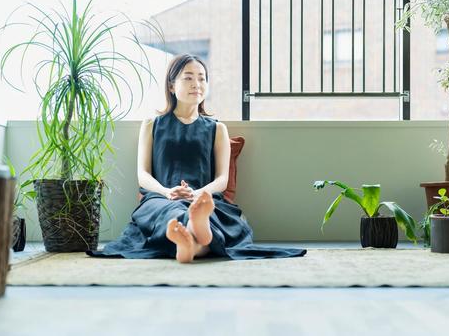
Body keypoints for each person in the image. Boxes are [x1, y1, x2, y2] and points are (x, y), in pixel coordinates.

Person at [88, 54, 306, 263]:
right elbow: (142, 175)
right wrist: (167, 191)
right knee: (175, 212)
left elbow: (222, 179)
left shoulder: (217, 128)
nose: (197, 84)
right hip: (161, 199)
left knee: (206, 213)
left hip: (204, 198)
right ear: (172, 86)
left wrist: (199, 193)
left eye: (202, 78)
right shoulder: (152, 125)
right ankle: (194, 232)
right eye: (189, 78)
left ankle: (189, 244)